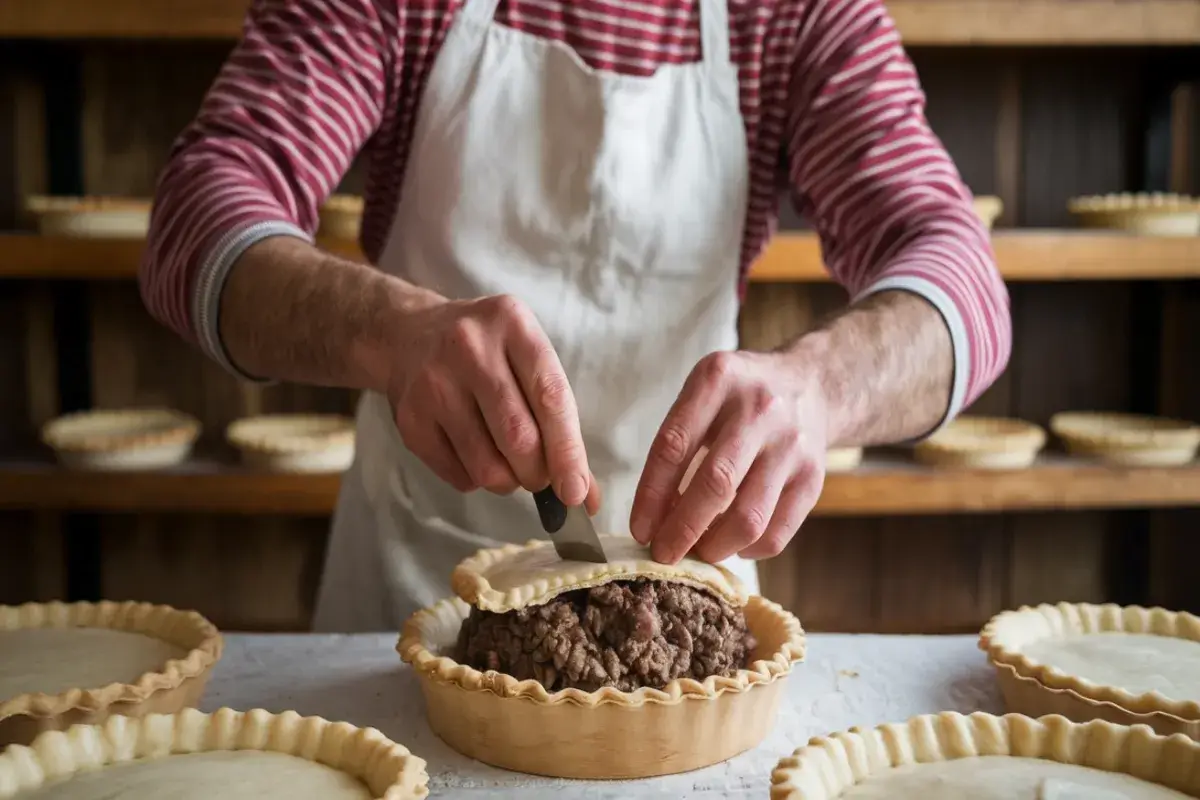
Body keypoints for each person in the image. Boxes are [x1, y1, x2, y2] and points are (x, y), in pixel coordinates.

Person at [139, 0, 1011, 632]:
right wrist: (393, 332)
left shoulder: (794, 17)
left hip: (677, 613)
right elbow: (195, 216)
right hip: (413, 596)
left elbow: (960, 274)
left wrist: (823, 387)